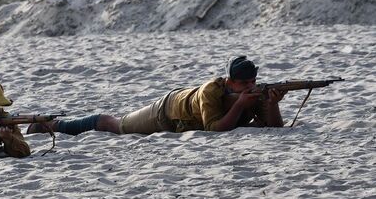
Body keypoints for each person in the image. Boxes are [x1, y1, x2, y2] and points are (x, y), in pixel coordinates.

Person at [117, 55, 285, 134]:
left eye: (252, 81)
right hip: (167, 111)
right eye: (243, 83)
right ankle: (90, 122)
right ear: (229, 81)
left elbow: (274, 127)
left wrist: (272, 104)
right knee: (118, 126)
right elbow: (213, 129)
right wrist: (240, 105)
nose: (250, 86)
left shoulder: (254, 92)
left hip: (183, 118)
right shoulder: (210, 91)